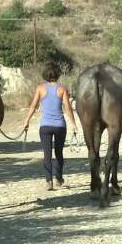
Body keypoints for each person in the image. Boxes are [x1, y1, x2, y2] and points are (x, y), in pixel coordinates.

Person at [22, 62, 78, 191]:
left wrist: (26, 121)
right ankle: (58, 178)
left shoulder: (40, 88)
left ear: (45, 74)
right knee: (59, 153)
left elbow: (33, 106)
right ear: (58, 74)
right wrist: (74, 124)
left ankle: (49, 182)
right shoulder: (62, 89)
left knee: (47, 155)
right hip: (60, 126)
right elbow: (68, 108)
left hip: (45, 126)